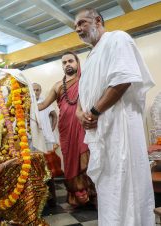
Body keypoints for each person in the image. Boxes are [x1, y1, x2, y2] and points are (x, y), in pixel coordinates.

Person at [75, 8, 155, 225]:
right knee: (109, 187)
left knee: (125, 182)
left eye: (82, 23)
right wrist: (79, 112)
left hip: (120, 127)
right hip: (100, 129)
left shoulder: (118, 38)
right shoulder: (91, 56)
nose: (78, 29)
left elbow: (123, 79)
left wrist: (93, 112)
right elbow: (84, 92)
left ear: (98, 20)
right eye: (75, 26)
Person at [38, 52, 96, 207]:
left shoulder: (86, 80)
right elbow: (43, 105)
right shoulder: (58, 85)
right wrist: (25, 105)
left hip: (83, 125)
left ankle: (94, 195)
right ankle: (76, 197)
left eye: (71, 61)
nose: (67, 64)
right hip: (65, 128)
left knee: (88, 158)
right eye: (64, 62)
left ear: (77, 62)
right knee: (70, 160)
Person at [32, 83, 59, 207]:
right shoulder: (28, 102)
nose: (36, 92)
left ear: (40, 90)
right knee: (36, 169)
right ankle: (38, 198)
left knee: (49, 169)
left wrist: (51, 129)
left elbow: (54, 115)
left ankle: (52, 199)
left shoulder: (45, 102)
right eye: (34, 90)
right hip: (33, 141)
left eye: (38, 90)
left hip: (47, 139)